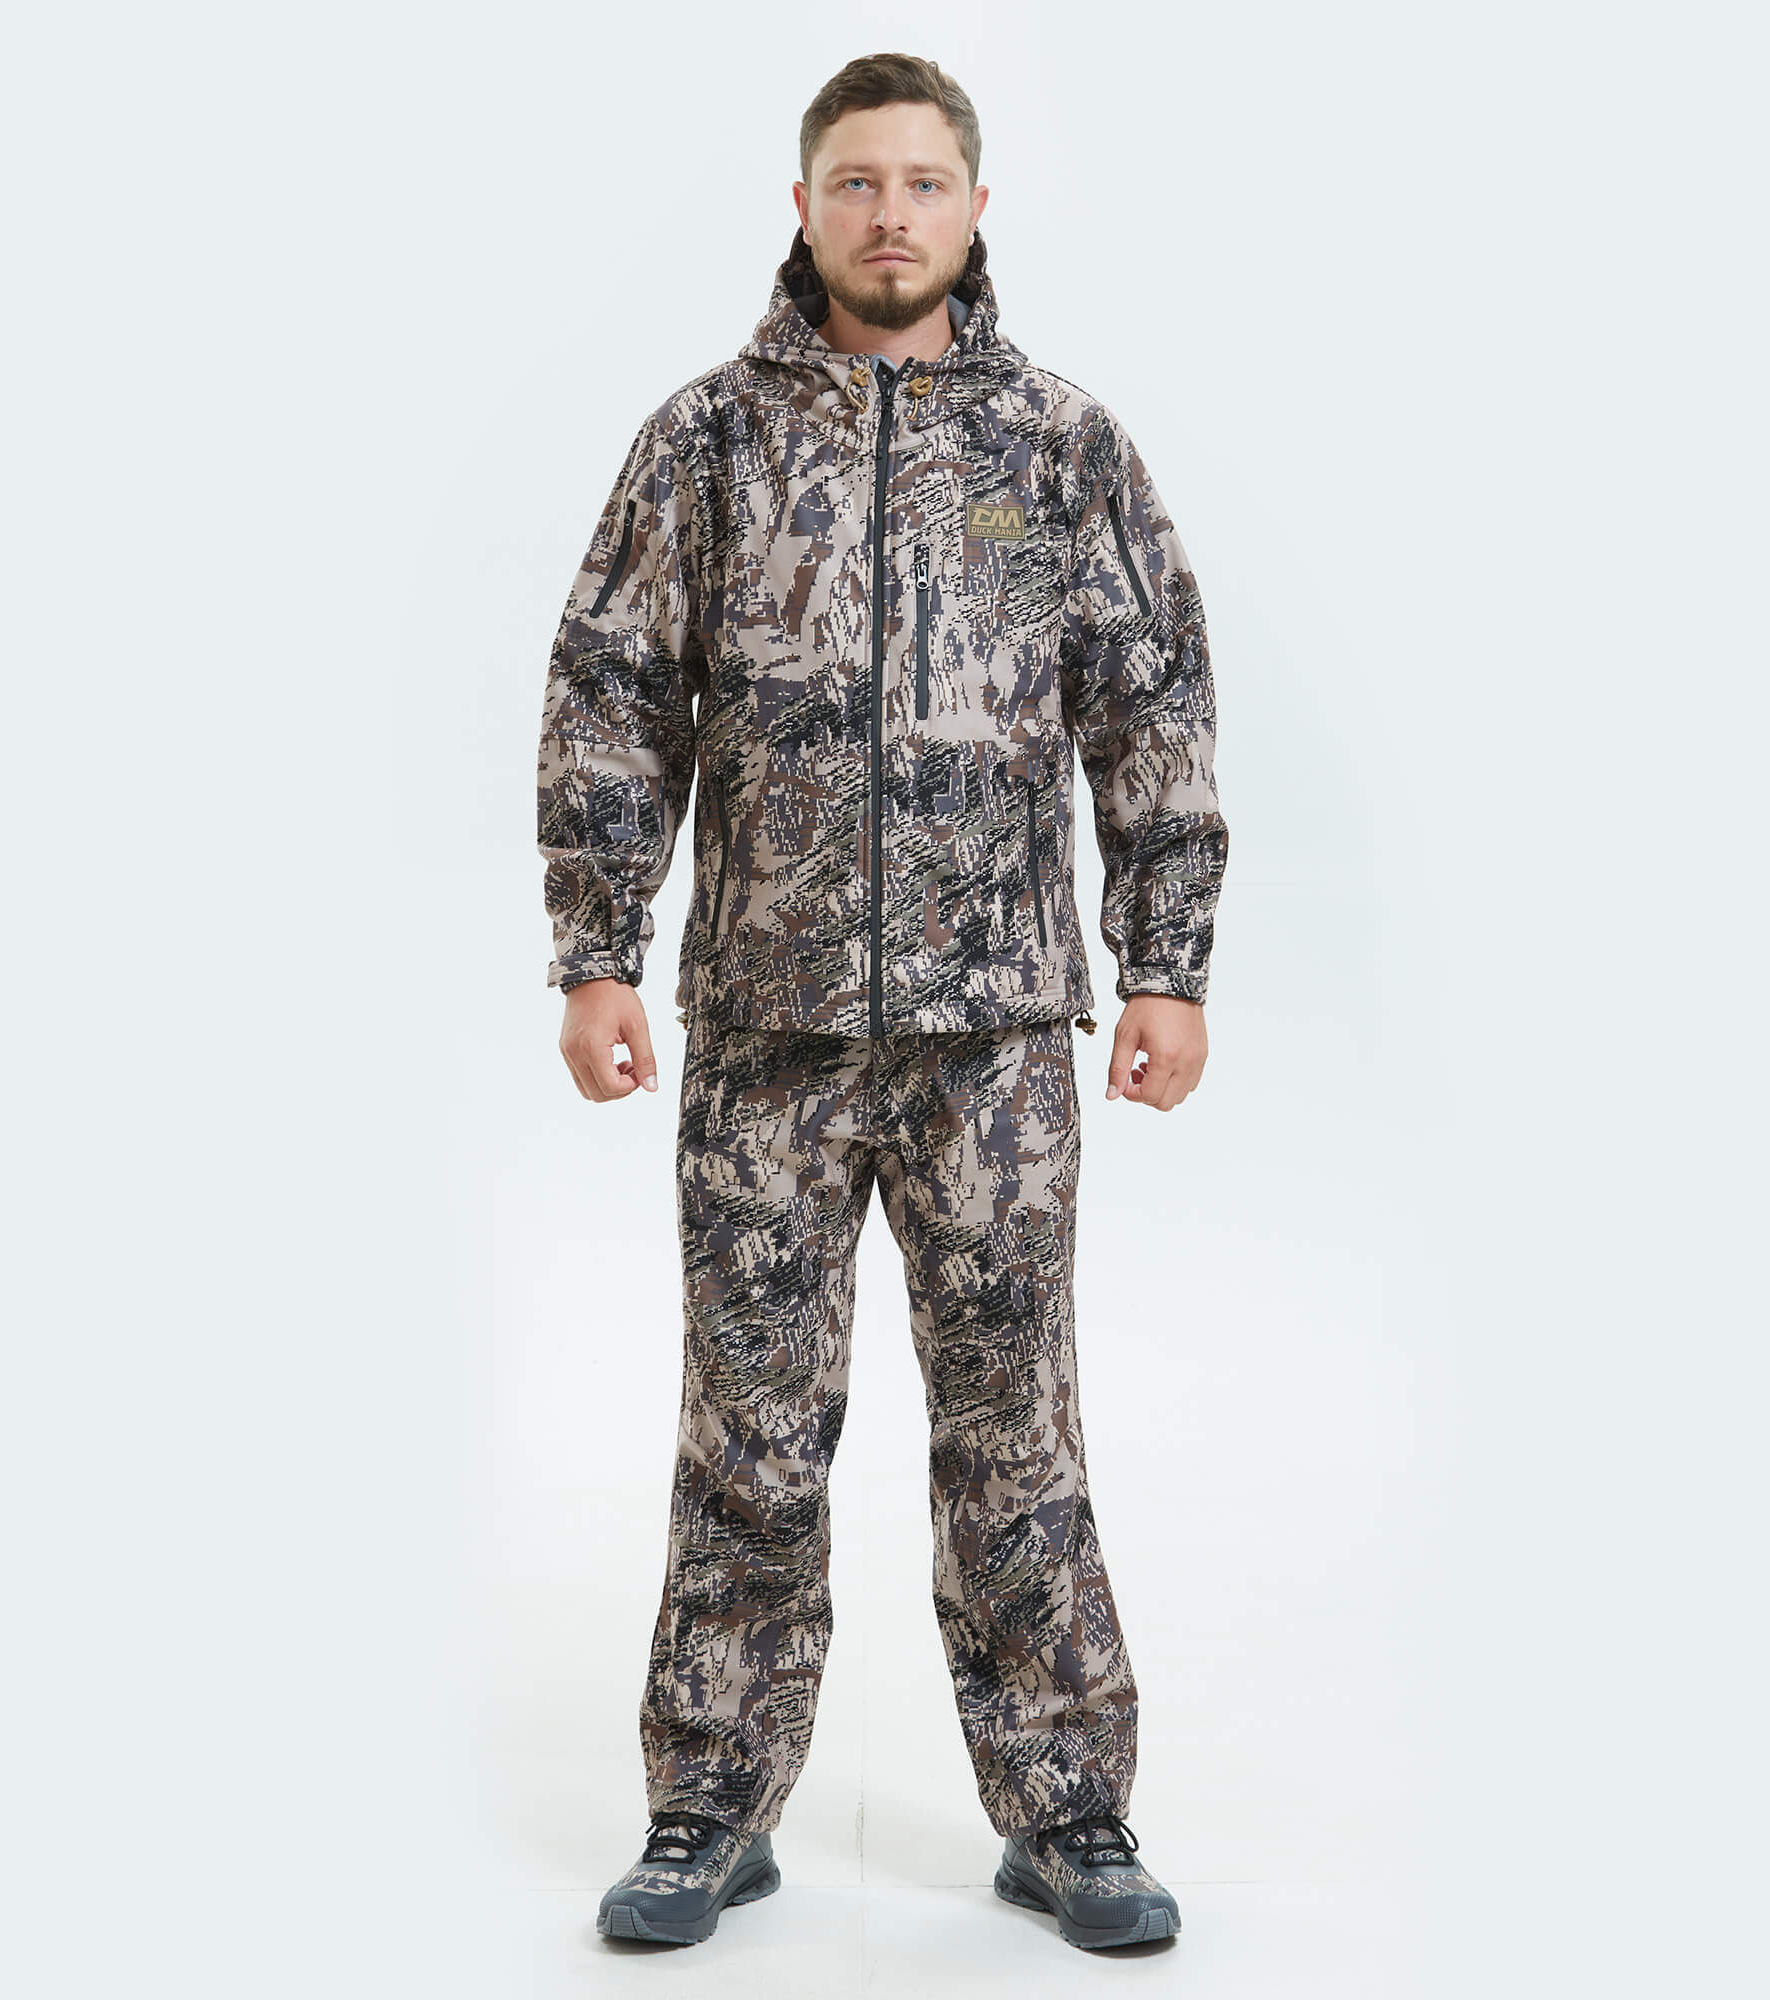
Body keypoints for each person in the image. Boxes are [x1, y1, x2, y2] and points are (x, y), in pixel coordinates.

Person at [535, 51, 1227, 1953]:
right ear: (804, 205)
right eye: (858, 182)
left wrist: (1166, 963)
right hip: (765, 1035)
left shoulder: (1055, 449)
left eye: (925, 183)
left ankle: (1069, 1812)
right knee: (748, 1431)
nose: (892, 215)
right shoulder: (707, 441)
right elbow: (612, 690)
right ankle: (709, 1804)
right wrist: (597, 943)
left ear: (977, 209)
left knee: (1018, 1432)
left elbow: (1151, 698)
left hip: (996, 1037)